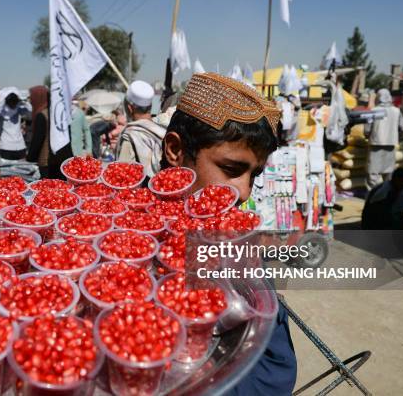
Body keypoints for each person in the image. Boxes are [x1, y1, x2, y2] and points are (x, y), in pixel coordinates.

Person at [161, 73, 296, 395]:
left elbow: (274, 371)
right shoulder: (130, 228)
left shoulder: (238, 249)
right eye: (232, 170)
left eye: (254, 175)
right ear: (175, 150)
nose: (243, 191)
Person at [115, 80, 166, 178]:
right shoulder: (163, 131)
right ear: (150, 106)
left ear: (129, 108)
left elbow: (121, 177)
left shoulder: (129, 136)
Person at [365, 89, 403, 189]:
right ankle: (386, 192)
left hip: (376, 144)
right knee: (388, 171)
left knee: (373, 171)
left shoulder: (374, 110)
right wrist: (395, 136)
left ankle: (373, 193)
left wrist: (367, 136)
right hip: (391, 144)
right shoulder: (397, 111)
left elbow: (367, 129)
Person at [0, 87, 31, 160]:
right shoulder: (0, 113)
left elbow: (30, 109)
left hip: (20, 146)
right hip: (6, 147)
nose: (13, 105)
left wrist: (23, 101)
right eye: (11, 103)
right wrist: (3, 101)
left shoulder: (18, 110)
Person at [27, 86, 50, 178]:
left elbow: (38, 139)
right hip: (57, 159)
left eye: (31, 97)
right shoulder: (52, 112)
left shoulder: (41, 115)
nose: (30, 100)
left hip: (45, 159)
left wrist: (30, 158)